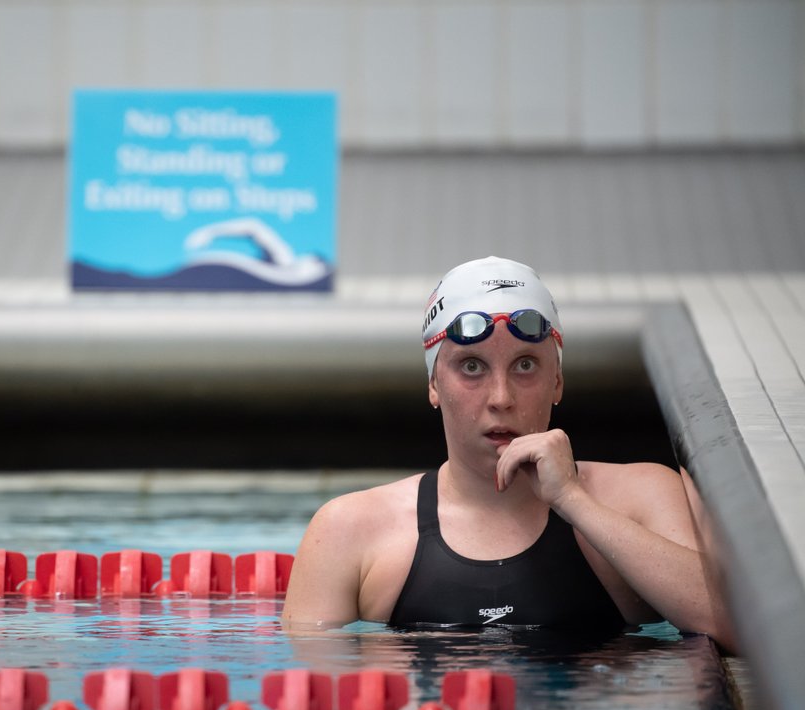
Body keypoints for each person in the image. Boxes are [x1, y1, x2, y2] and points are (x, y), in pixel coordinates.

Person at [281, 256, 734, 652]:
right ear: (434, 384)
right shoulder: (350, 530)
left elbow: (738, 625)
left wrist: (573, 501)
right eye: (472, 366)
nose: (501, 397)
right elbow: (314, 702)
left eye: (525, 365)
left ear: (557, 381)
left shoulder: (640, 495)